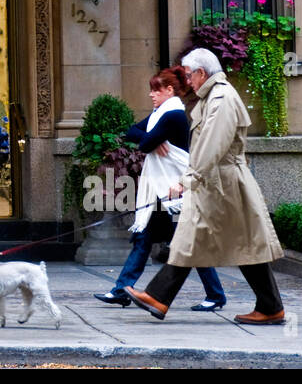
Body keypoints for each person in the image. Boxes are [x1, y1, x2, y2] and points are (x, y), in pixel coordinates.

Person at [124, 47, 286, 325]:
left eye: (188, 75)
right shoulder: (214, 97)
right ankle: (160, 297)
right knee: (203, 237)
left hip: (222, 183)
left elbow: (212, 146)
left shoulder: (220, 99)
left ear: (201, 72)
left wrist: (187, 180)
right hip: (218, 182)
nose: (187, 81)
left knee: (225, 239)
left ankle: (160, 296)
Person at [93, 67, 227, 311]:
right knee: (143, 239)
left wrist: (153, 141)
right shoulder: (159, 114)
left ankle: (216, 295)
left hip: (176, 189)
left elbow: (143, 142)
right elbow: (130, 132)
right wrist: (155, 141)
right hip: (160, 188)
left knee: (189, 243)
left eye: (156, 90)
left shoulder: (173, 115)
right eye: (151, 90)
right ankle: (121, 290)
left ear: (169, 90)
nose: (151, 95)